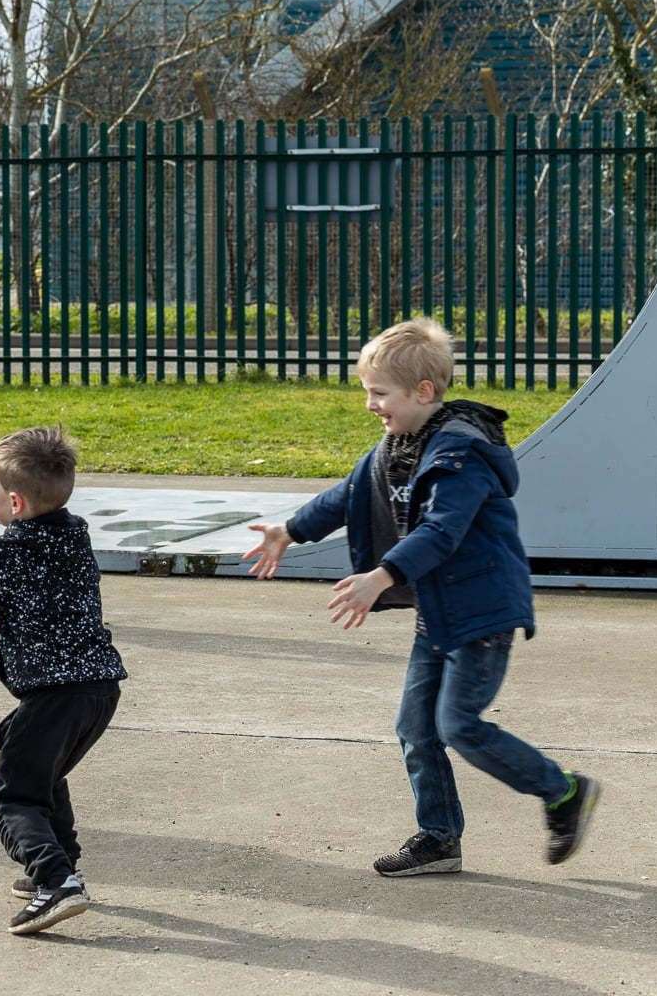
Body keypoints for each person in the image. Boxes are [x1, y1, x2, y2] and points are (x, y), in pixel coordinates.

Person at [244, 318, 600, 877]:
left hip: (481, 614)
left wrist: (381, 576)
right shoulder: (399, 446)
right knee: (415, 728)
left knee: (458, 725)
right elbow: (351, 494)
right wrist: (290, 530)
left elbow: (441, 531)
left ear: (424, 393)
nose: (370, 405)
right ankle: (438, 838)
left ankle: (563, 791)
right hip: (439, 612)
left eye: (379, 394)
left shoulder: (459, 455)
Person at [0, 427, 127, 935]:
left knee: (12, 795)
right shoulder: (77, 532)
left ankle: (55, 880)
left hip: (52, 694)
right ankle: (63, 858)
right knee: (27, 754)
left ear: (14, 502)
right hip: (100, 687)